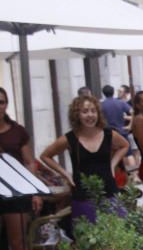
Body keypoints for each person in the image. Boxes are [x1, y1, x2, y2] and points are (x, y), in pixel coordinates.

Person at [40, 95, 128, 224]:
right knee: (88, 237)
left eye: (93, 111)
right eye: (85, 111)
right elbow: (45, 156)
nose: (90, 115)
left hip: (109, 191)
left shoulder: (109, 134)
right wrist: (65, 174)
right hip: (82, 195)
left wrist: (112, 164)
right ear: (77, 115)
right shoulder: (69, 139)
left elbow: (124, 145)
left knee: (118, 233)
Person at [0, 88, 42, 250]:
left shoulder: (17, 131)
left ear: (6, 104)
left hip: (16, 192)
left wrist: (32, 190)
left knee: (18, 243)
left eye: (1, 102)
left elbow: (29, 162)